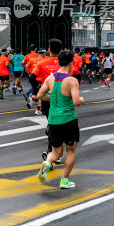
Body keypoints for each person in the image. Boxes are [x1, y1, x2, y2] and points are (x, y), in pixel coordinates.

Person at [38, 49, 85, 190]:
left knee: (55, 152)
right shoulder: (72, 80)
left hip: (53, 119)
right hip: (68, 119)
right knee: (70, 151)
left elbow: (40, 95)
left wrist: (51, 97)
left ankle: (47, 163)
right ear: (72, 63)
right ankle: (64, 180)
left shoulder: (51, 78)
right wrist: (82, 100)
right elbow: (76, 101)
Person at [31, 39, 62, 122]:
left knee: (50, 117)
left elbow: (31, 77)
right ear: (61, 50)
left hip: (47, 95)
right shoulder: (65, 64)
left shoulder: (41, 63)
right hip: (62, 95)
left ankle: (50, 128)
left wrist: (37, 88)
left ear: (48, 51)